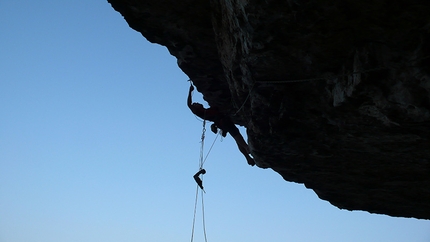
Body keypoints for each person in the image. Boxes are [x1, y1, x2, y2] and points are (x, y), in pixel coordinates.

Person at [187, 84, 255, 166]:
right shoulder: (200, 112)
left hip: (222, 122)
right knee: (236, 135)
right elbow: (189, 104)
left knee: (236, 139)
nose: (197, 103)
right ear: (196, 108)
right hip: (223, 122)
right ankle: (246, 147)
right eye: (196, 104)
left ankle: (247, 158)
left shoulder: (205, 111)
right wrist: (190, 91)